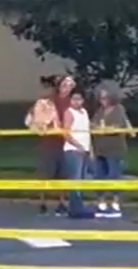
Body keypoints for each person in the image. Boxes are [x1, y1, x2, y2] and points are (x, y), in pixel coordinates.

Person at [27, 76, 70, 215]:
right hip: (49, 142)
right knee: (45, 173)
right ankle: (42, 202)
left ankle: (62, 202)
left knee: (63, 174)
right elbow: (33, 117)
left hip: (65, 142)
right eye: (64, 85)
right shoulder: (47, 102)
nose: (67, 88)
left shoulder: (71, 102)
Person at [89, 86, 133, 218]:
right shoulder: (100, 111)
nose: (103, 100)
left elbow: (119, 126)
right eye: (101, 97)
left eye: (105, 97)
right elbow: (92, 124)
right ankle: (101, 202)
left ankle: (115, 202)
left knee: (114, 175)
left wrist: (104, 129)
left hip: (115, 148)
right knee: (99, 175)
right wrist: (97, 128)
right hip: (100, 148)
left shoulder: (119, 109)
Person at [61, 89, 93, 220]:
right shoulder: (69, 113)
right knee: (75, 179)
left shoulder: (84, 112)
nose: (76, 101)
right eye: (74, 99)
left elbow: (87, 131)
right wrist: (78, 145)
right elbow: (66, 133)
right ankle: (75, 209)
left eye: (79, 99)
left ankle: (79, 206)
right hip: (73, 150)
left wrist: (90, 149)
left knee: (81, 179)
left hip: (84, 149)